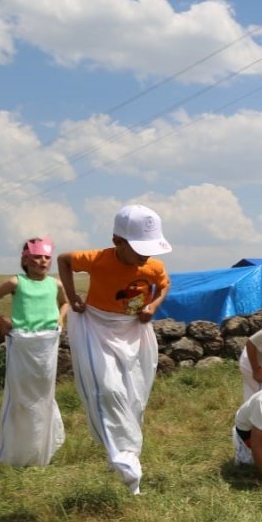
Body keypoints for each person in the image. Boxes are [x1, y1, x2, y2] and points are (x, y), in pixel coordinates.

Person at [59, 204, 171, 495]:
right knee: (108, 389)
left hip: (134, 329)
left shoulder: (153, 266)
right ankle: (124, 456)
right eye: (139, 248)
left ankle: (121, 446)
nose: (146, 254)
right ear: (117, 241)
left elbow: (164, 285)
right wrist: (72, 298)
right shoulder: (98, 259)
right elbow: (64, 260)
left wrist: (152, 306)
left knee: (134, 392)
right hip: (97, 326)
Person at [0, 237, 68, 467]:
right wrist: (2, 323)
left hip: (47, 344)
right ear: (26, 259)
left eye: (47, 257)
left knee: (44, 395)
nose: (43, 261)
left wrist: (60, 321)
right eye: (38, 256)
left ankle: (41, 451)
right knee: (21, 397)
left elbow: (65, 303)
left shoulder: (56, 284)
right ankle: (16, 451)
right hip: (22, 343)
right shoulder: (16, 282)